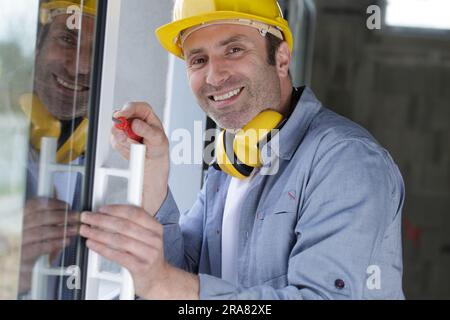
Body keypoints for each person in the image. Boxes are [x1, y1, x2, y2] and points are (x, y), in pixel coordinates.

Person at [81, 0, 405, 300]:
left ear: (281, 58)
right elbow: (183, 275)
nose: (214, 75)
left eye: (234, 49)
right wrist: (153, 172)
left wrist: (164, 284)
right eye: (198, 59)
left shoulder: (346, 160)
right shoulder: (231, 163)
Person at [17, 0, 96, 298]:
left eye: (97, 48)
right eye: (67, 39)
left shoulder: (126, 161)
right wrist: (12, 269)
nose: (80, 66)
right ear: (37, 42)